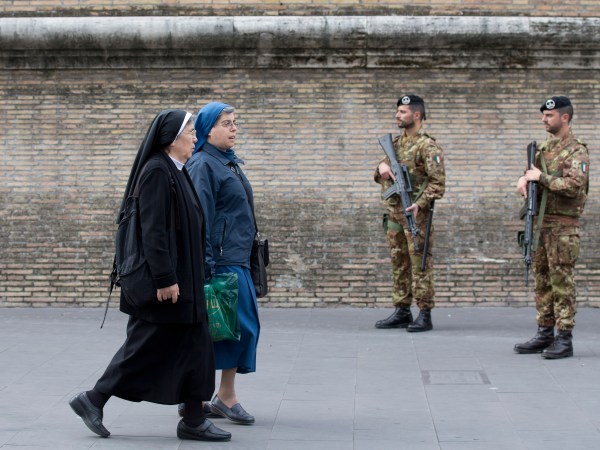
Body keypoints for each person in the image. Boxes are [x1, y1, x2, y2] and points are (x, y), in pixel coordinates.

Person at [68, 109, 231, 442]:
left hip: (186, 280)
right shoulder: (157, 171)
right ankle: (94, 398)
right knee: (145, 347)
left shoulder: (177, 170)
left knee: (196, 348)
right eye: (190, 133)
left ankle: (193, 418)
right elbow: (152, 230)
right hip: (170, 283)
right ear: (171, 139)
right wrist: (164, 279)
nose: (195, 138)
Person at [186, 102, 260, 425]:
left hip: (237, 257)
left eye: (235, 122)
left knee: (231, 328)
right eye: (226, 123)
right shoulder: (203, 164)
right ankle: (223, 397)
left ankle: (204, 396)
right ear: (208, 130)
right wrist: (205, 265)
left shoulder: (227, 162)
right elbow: (199, 218)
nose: (234, 129)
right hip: (221, 260)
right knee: (234, 328)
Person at [514, 96, 589, 359]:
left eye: (549, 115)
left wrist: (541, 177)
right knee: (542, 282)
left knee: (562, 282)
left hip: (562, 229)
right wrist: (523, 179)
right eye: (543, 115)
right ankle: (544, 333)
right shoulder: (542, 149)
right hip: (540, 226)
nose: (544, 119)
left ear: (564, 117)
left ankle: (564, 338)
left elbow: (574, 186)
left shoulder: (576, 150)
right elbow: (532, 176)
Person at [374, 94, 446, 332]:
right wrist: (382, 167)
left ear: (416, 115)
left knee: (420, 265)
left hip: (417, 218)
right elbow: (378, 174)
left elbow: (438, 184)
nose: (397, 115)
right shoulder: (395, 144)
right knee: (399, 264)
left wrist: (420, 203)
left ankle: (424, 313)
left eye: (402, 112)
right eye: (397, 111)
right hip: (395, 216)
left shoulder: (428, 146)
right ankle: (402, 310)